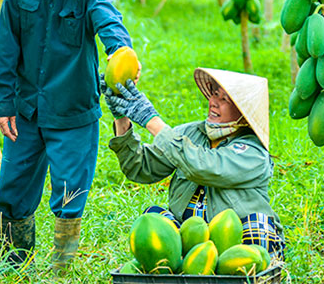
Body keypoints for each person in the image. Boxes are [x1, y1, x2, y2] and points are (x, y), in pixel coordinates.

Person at [0, 0, 135, 271]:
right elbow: (8, 41)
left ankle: (61, 270)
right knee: (14, 189)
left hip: (72, 111)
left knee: (69, 194)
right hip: (27, 110)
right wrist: (4, 101)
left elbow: (107, 17)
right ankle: (13, 265)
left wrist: (120, 51)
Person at [103, 68, 285, 260]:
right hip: (191, 240)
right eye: (215, 94)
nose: (214, 102)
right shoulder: (190, 133)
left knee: (260, 226)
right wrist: (121, 118)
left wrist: (151, 120)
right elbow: (141, 168)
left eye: (224, 99)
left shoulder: (254, 154)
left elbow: (204, 166)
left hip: (235, 243)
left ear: (243, 113)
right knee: (153, 217)